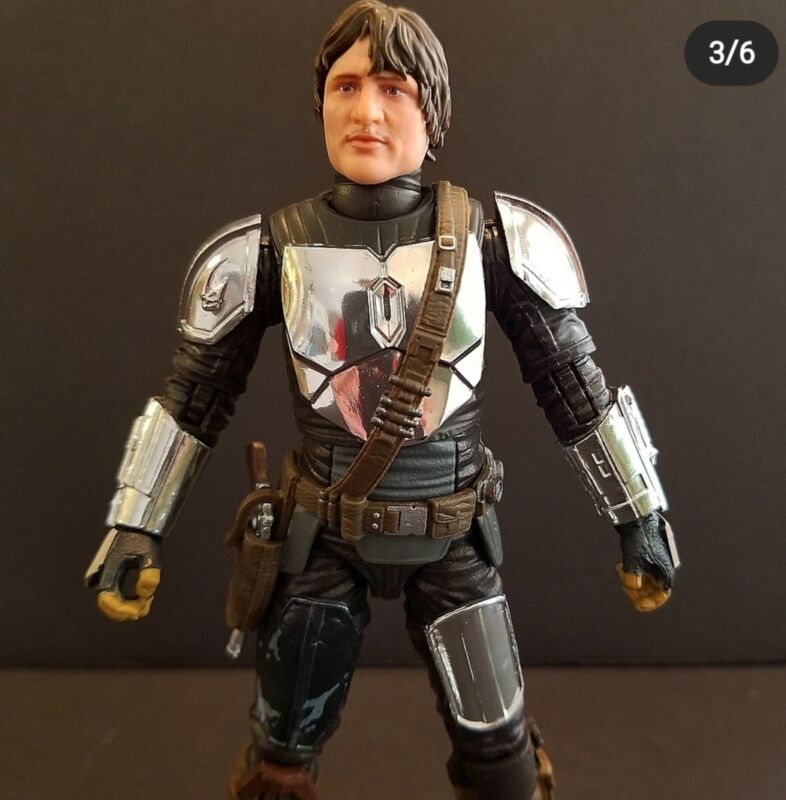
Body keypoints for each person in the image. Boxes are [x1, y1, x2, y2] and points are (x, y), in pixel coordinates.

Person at [85, 3, 680, 799]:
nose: (367, 111)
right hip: (322, 538)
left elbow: (573, 385)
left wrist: (640, 513)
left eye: (394, 88)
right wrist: (135, 524)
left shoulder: (494, 241)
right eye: (347, 86)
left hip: (454, 533)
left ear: (433, 112)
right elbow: (195, 396)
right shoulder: (268, 251)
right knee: (280, 752)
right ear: (320, 104)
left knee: (500, 752)